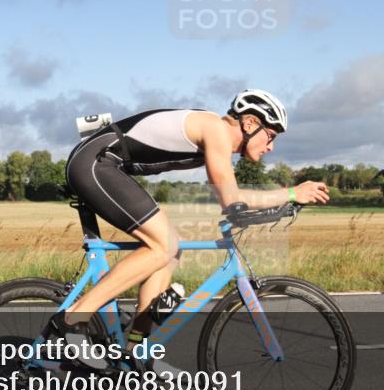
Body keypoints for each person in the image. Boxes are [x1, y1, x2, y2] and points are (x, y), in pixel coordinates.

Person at [49, 89, 329, 366]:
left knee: (171, 249)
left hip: (106, 164)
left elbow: (234, 205)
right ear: (250, 123)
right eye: (270, 136)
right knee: (164, 245)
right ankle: (73, 318)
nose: (271, 146)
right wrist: (292, 193)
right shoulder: (216, 130)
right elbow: (231, 199)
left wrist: (277, 205)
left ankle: (136, 349)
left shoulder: (215, 133)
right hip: (95, 163)